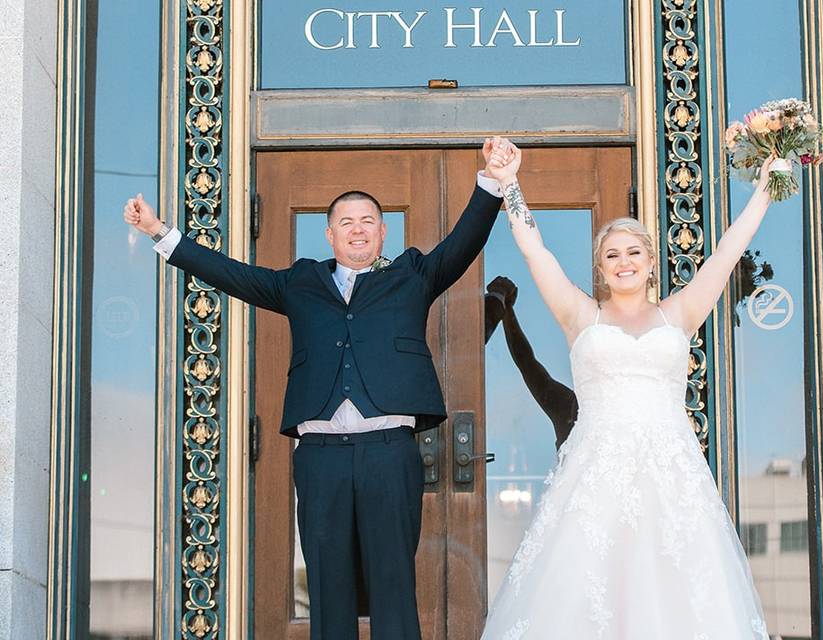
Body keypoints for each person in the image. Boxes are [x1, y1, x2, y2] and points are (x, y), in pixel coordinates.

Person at [123, 140, 508, 640]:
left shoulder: (413, 274)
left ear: (382, 231)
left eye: (367, 221)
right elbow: (232, 275)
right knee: (328, 586)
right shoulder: (299, 283)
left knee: (392, 583)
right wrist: (159, 232)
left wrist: (493, 181)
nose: (357, 230)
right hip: (320, 455)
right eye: (346, 222)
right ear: (329, 234)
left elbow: (464, 240)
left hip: (388, 452)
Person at [480, 140, 772, 638]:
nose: (623, 262)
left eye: (633, 252)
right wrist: (510, 184)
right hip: (596, 475)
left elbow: (727, 254)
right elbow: (535, 252)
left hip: (671, 476)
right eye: (612, 255)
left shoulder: (679, 313)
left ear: (651, 261)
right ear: (600, 267)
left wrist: (766, 187)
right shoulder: (580, 315)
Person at [484, 276, 576, 450]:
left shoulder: (571, 406)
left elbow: (526, 363)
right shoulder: (568, 406)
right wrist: (507, 310)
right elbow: (526, 362)